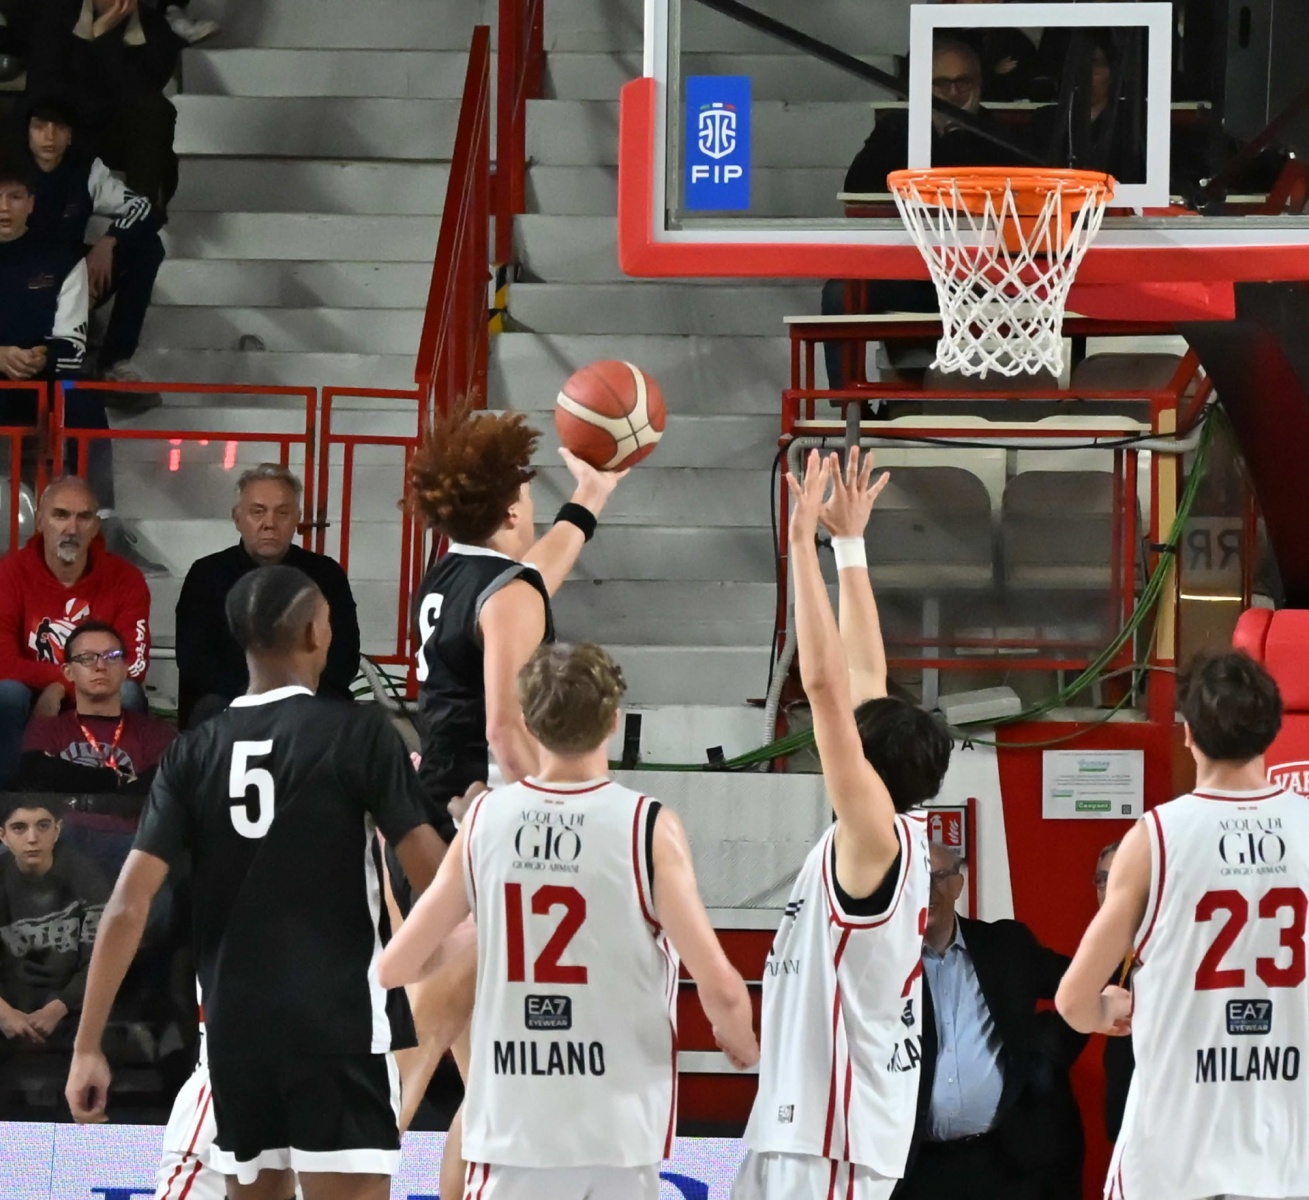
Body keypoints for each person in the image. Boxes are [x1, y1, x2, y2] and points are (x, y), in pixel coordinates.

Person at [66, 564, 448, 1200]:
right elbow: (434, 879)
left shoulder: (193, 750)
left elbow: (129, 904)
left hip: (236, 1034)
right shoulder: (358, 733)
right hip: (338, 1028)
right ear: (313, 635)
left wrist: (86, 1044)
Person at [379, 641, 759, 1198]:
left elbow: (398, 966)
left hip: (512, 1133)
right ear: (612, 720)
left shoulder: (484, 820)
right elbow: (721, 984)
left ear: (527, 724)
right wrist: (741, 1043)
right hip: (618, 1137)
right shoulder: (649, 827)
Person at [394, 404, 625, 1199]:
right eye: (529, 491)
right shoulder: (508, 590)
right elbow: (503, 722)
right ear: (507, 511)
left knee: (486, 1066)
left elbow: (537, 575)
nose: (535, 503)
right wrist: (555, 811)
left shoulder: (454, 571)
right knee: (417, 1053)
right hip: (471, 820)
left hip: (423, 813)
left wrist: (591, 496)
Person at [733, 449, 952, 1200]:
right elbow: (862, 678)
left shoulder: (873, 839)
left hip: (834, 1138)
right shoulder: (890, 831)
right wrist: (848, 546)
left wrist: (798, 544)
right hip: (809, 1127)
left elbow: (827, 686)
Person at [1057, 648, 1309, 1200]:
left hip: (1172, 1159)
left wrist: (1106, 1010)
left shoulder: (1153, 839)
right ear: (1271, 730)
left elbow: (1072, 1002)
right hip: (1288, 1155)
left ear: (1188, 732)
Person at [823, 38, 1028, 390]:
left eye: (964, 81)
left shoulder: (1001, 138)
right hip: (914, 277)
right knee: (839, 293)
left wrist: (956, 138)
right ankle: (849, 407)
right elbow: (858, 188)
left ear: (980, 84)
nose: (953, 91)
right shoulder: (895, 131)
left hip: (984, 280)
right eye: (941, 83)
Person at [897, 842, 1086, 1200]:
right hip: (917, 1165)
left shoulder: (1005, 945)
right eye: (914, 879)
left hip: (1004, 1158)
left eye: (938, 877)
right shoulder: (883, 963)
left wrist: (1049, 1048)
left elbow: (1084, 983)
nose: (927, 890)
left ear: (958, 884)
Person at [175, 464, 361, 728]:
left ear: (296, 519)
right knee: (209, 708)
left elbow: (344, 657)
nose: (269, 524)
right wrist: (256, 696)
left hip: (308, 699)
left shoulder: (325, 574)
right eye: (257, 512)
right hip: (230, 701)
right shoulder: (206, 574)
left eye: (282, 513)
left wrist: (292, 695)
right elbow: (194, 659)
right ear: (237, 518)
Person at [0, 477, 151, 791]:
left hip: (97, 688)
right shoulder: (9, 573)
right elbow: (2, 660)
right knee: (7, 694)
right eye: (60, 515)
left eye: (83, 517)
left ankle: (122, 803)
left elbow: (133, 665)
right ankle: (11, 804)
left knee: (128, 693)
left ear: (96, 525)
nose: (72, 528)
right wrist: (60, 680)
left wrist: (61, 686)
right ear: (40, 520)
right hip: (30, 694)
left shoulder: (127, 579)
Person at [27, 97, 166, 412]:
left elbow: (146, 208)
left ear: (71, 134)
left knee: (146, 247)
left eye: (59, 128)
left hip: (75, 276)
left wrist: (109, 241)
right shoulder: (11, 169)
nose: (49, 137)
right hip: (18, 283)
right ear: (27, 132)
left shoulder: (85, 170)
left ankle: (113, 361)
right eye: (39, 127)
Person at [26, 0, 183, 214]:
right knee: (40, 118)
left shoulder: (157, 31)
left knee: (157, 110)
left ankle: (140, 216)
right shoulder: (55, 18)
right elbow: (48, 91)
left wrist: (104, 38)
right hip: (66, 130)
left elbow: (136, 94)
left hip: (120, 138)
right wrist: (92, 40)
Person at [0, 795, 110, 1054]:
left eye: (43, 826)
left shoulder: (87, 876)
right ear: (3, 836)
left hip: (74, 1006)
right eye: (19, 828)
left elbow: (103, 958)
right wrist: (4, 1013)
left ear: (57, 831)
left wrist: (59, 1007)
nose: (32, 838)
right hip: (10, 1002)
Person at [16, 619, 174, 796]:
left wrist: (68, 775)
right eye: (86, 658)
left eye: (112, 656)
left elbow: (162, 786)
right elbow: (34, 775)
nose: (100, 666)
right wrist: (118, 780)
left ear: (125, 669)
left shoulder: (155, 733)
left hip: (128, 824)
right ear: (68, 672)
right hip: (67, 824)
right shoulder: (46, 729)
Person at [1094, 839, 1134, 1144]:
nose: (1108, 888)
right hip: (1124, 1123)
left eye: (1119, 876)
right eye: (1102, 880)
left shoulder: (1170, 945)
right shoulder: (1110, 948)